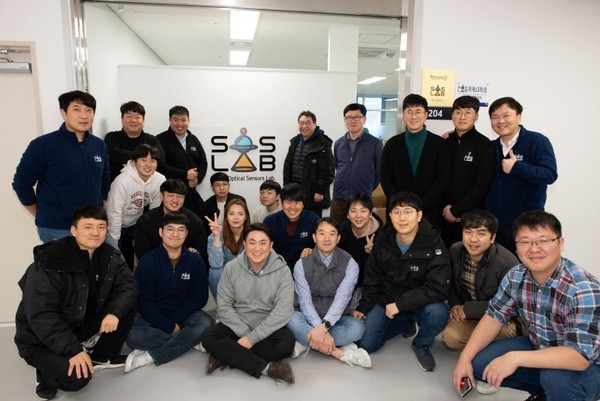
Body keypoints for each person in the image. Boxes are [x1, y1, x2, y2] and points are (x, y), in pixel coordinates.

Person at [453, 210, 600, 401]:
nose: (534, 249)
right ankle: (544, 393)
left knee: (555, 379)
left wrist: (515, 358)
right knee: (479, 363)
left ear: (561, 243)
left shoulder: (583, 289)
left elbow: (579, 357)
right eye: (525, 242)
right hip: (541, 344)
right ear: (516, 246)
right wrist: (464, 359)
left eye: (543, 241)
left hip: (591, 364)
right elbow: (493, 316)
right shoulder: (516, 275)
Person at [14, 205, 138, 400]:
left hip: (77, 324)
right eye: (88, 227)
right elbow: (42, 315)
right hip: (38, 337)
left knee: (126, 305)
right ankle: (44, 371)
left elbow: (129, 285)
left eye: (101, 227)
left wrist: (114, 313)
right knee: (78, 378)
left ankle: (101, 356)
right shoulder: (50, 261)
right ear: (74, 230)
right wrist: (73, 350)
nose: (95, 233)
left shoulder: (110, 255)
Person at [354, 192, 450, 372]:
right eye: (396, 212)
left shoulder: (433, 243)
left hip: (420, 302)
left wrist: (401, 305)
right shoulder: (383, 239)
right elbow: (372, 277)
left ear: (419, 215)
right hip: (387, 299)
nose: (402, 218)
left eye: (408, 212)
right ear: (390, 216)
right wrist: (363, 307)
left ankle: (421, 343)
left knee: (439, 312)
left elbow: (437, 287)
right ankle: (404, 323)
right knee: (366, 344)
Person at [201, 223, 295, 384]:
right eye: (252, 242)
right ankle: (266, 368)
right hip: (237, 324)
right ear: (244, 244)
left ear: (271, 245)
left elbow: (283, 311)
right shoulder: (231, 268)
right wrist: (246, 334)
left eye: (263, 243)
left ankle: (225, 356)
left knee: (286, 343)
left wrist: (252, 338)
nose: (257, 248)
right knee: (208, 337)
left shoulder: (283, 271)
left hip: (266, 327)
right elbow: (224, 307)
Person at [12, 90, 110, 243]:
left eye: (89, 110)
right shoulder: (43, 145)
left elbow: (104, 180)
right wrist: (41, 213)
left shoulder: (99, 145)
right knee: (70, 261)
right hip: (57, 228)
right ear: (64, 113)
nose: (84, 115)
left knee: (114, 258)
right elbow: (21, 183)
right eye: (77, 109)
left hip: (93, 225)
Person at [124, 213, 213, 372]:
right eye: (170, 229)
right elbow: (144, 301)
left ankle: (153, 356)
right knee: (130, 334)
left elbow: (200, 297)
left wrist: (175, 321)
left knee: (205, 323)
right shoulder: (148, 261)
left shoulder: (195, 260)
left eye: (181, 230)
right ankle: (189, 342)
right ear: (161, 232)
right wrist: (168, 326)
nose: (175, 234)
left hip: (185, 315)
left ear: (186, 233)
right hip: (155, 316)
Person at [287, 218, 372, 368]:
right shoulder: (301, 264)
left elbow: (342, 299)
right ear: (314, 237)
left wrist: (324, 326)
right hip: (308, 316)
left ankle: (306, 342)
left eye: (332, 234)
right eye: (322, 233)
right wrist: (320, 329)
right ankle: (338, 352)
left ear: (338, 238)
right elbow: (305, 301)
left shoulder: (350, 264)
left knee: (357, 329)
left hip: (336, 318)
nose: (327, 238)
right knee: (291, 319)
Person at [484, 97, 558, 254]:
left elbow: (549, 174)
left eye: (506, 115)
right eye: (495, 117)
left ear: (519, 116)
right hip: (495, 224)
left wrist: (517, 167)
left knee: (528, 265)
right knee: (499, 266)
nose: (501, 121)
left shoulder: (537, 141)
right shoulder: (490, 146)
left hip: (527, 224)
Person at [443, 210, 519, 350]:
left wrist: (468, 309)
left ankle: (492, 350)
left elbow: (512, 304)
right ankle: (484, 346)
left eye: (481, 233)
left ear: (492, 238)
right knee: (451, 336)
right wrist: (456, 304)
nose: (473, 239)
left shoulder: (507, 263)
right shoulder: (455, 250)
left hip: (502, 319)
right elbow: (451, 282)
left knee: (501, 334)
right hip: (472, 317)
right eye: (468, 232)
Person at [380, 94, 450, 228]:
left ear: (426, 115)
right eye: (409, 112)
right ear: (403, 115)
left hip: (428, 211)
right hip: (398, 212)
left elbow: (442, 178)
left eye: (418, 112)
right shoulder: (392, 144)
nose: (413, 116)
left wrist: (420, 205)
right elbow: (385, 177)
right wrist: (400, 205)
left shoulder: (439, 144)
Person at [441, 96, 494, 246]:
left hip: (471, 217)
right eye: (458, 112)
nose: (462, 117)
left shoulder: (484, 145)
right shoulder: (444, 142)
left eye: (468, 112)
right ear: (452, 116)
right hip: (443, 214)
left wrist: (456, 211)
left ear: (476, 116)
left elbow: (482, 184)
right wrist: (445, 208)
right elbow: (438, 178)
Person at [106, 144, 166, 269]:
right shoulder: (122, 181)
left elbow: (154, 212)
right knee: (115, 258)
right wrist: (114, 243)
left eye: (152, 160)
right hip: (115, 222)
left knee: (135, 258)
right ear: (134, 162)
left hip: (135, 222)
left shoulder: (160, 180)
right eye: (143, 160)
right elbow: (114, 213)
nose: (148, 165)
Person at [330, 103, 383, 225]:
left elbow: (378, 172)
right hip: (339, 198)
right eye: (349, 117)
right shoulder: (338, 143)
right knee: (336, 230)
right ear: (344, 120)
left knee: (360, 231)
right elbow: (338, 167)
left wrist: (366, 188)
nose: (352, 121)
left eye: (357, 117)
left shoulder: (375, 143)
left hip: (361, 199)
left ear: (364, 119)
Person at [134, 179, 207, 263]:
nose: (175, 200)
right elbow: (141, 251)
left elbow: (202, 250)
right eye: (170, 195)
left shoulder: (195, 221)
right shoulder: (146, 220)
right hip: (154, 265)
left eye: (180, 196)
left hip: (185, 265)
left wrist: (194, 254)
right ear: (162, 196)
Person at [157, 105, 208, 219]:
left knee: (202, 218)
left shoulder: (193, 138)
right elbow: (160, 166)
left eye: (183, 120)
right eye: (176, 119)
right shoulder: (160, 139)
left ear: (188, 120)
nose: (180, 124)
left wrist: (198, 178)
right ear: (170, 120)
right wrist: (185, 174)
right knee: (171, 221)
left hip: (190, 190)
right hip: (171, 191)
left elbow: (203, 161)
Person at [283, 111, 335, 217]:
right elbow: (287, 166)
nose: (304, 126)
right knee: (294, 221)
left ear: (315, 124)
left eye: (308, 123)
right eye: (301, 123)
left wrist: (320, 191)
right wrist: (287, 188)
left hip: (313, 194)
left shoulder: (323, 144)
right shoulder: (295, 141)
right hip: (295, 192)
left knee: (312, 222)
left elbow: (327, 172)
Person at [103, 101, 165, 182]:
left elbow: (161, 160)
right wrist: (145, 158)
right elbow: (113, 154)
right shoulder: (112, 137)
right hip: (120, 186)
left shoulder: (151, 139)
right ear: (122, 119)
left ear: (143, 120)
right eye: (129, 116)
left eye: (137, 117)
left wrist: (127, 160)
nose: (133, 120)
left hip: (147, 186)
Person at [264, 183, 320, 270]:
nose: (292, 207)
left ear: (303, 204)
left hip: (306, 267)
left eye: (297, 202)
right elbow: (265, 249)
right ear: (282, 203)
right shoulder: (270, 222)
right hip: (278, 268)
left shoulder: (313, 219)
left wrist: (313, 250)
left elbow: (321, 245)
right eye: (288, 202)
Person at [205, 198, 251, 300]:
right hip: (226, 273)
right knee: (215, 272)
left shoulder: (253, 234)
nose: (236, 217)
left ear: (246, 217)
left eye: (240, 214)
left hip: (248, 272)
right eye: (231, 214)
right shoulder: (215, 235)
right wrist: (217, 237)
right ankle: (222, 306)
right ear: (226, 216)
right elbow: (215, 264)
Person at [337, 193, 383, 291]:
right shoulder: (343, 230)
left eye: (363, 211)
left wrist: (372, 254)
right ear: (348, 215)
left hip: (370, 286)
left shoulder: (381, 235)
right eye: (353, 211)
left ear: (370, 214)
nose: (358, 216)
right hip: (345, 281)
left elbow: (383, 270)